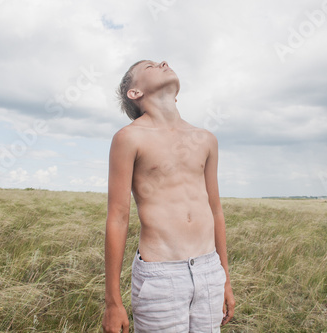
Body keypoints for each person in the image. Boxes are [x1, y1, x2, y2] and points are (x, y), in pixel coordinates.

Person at [102, 60, 235, 333]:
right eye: (150, 65)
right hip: (160, 276)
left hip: (209, 270)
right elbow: (117, 217)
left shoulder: (206, 138)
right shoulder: (129, 138)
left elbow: (215, 211)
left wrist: (225, 279)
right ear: (134, 92)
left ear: (176, 95)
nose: (162, 62)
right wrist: (113, 301)